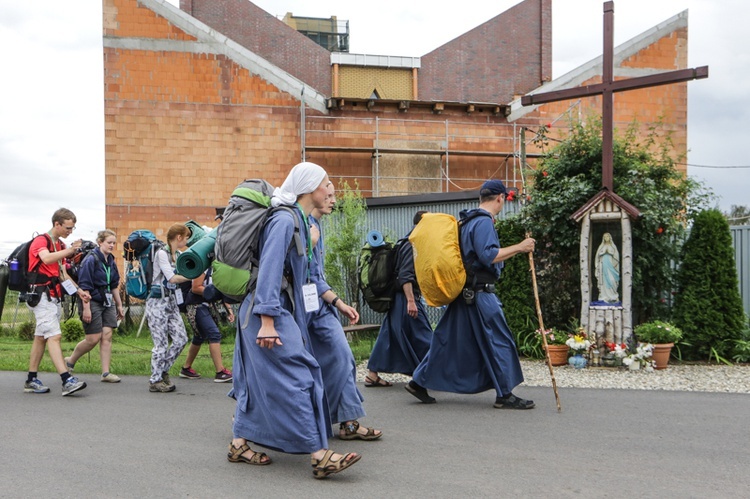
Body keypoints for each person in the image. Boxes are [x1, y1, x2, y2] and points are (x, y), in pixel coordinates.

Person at [229, 162, 361, 479]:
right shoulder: (284, 220)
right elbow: (271, 270)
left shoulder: (299, 221)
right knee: (300, 376)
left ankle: (238, 444)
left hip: (276, 310)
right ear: (310, 187)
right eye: (327, 182)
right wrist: (268, 320)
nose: (331, 189)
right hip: (266, 312)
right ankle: (319, 455)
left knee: (264, 380)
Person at [407, 179, 536, 409]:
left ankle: (418, 381)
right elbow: (488, 255)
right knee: (499, 341)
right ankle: (505, 394)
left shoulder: (465, 221)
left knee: (446, 341)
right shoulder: (484, 222)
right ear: (499, 198)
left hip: (463, 294)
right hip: (479, 295)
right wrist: (520, 247)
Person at [307, 184, 382, 441]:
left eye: (333, 196)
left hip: (318, 306)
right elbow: (309, 275)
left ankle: (346, 422)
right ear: (311, 194)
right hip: (311, 309)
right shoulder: (306, 226)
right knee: (339, 358)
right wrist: (337, 301)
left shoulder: (317, 226)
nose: (333, 201)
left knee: (339, 360)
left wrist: (336, 302)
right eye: (328, 196)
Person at [23, 208, 91, 396]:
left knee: (40, 337)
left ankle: (31, 379)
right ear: (57, 224)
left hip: (52, 295)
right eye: (68, 227)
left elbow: (62, 274)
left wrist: (79, 291)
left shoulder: (59, 245)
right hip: (40, 295)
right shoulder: (41, 241)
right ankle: (66, 379)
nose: (70, 231)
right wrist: (70, 250)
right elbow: (45, 258)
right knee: (54, 336)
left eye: (73, 227)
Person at [366, 210, 432, 387]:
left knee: (389, 335)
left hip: (398, 298)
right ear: (422, 224)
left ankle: (372, 373)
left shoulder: (404, 241)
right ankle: (427, 374)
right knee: (425, 336)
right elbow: (405, 275)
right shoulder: (412, 244)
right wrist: (411, 300)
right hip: (406, 297)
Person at [64, 229, 125, 382]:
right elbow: (84, 286)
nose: (111, 245)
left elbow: (114, 284)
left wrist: (119, 305)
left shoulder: (111, 260)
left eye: (113, 243)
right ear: (100, 242)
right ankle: (70, 361)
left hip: (107, 300)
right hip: (91, 300)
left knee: (107, 335)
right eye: (109, 242)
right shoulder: (90, 259)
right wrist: (86, 308)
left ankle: (105, 373)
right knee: (93, 338)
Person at [145, 223, 191, 393]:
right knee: (161, 343)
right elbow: (171, 278)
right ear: (179, 237)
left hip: (171, 300)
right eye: (186, 237)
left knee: (181, 339)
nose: (186, 240)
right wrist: (190, 276)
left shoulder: (177, 254)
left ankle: (163, 370)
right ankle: (155, 380)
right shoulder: (161, 254)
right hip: (157, 301)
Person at [178, 269, 235, 382]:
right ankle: (220, 372)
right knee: (214, 334)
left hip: (206, 305)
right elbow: (195, 287)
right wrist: (212, 294)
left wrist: (229, 310)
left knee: (200, 336)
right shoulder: (203, 267)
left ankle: (186, 368)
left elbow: (221, 291)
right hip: (196, 305)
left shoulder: (217, 269)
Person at [595, 232, 620, 303]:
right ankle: (604, 296)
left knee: (612, 280)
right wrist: (603, 253)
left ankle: (613, 296)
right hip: (603, 266)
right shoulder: (601, 246)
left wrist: (609, 252)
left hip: (611, 265)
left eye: (607, 237)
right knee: (604, 281)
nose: (606, 238)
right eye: (605, 237)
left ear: (610, 237)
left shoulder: (613, 246)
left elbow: (616, 257)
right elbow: (597, 256)